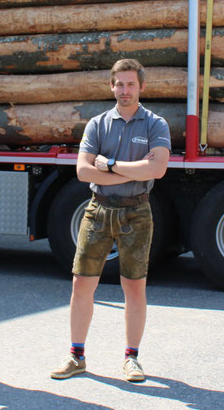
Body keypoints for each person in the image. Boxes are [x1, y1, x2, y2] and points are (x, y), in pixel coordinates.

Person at [49, 58, 170, 383]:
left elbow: (157, 169)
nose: (125, 90)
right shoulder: (98, 124)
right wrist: (134, 170)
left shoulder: (155, 124)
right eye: (120, 84)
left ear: (141, 86)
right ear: (111, 86)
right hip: (98, 209)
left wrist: (111, 165)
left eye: (131, 84)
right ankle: (76, 356)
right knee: (81, 283)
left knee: (134, 286)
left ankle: (132, 358)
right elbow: (83, 171)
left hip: (137, 211)